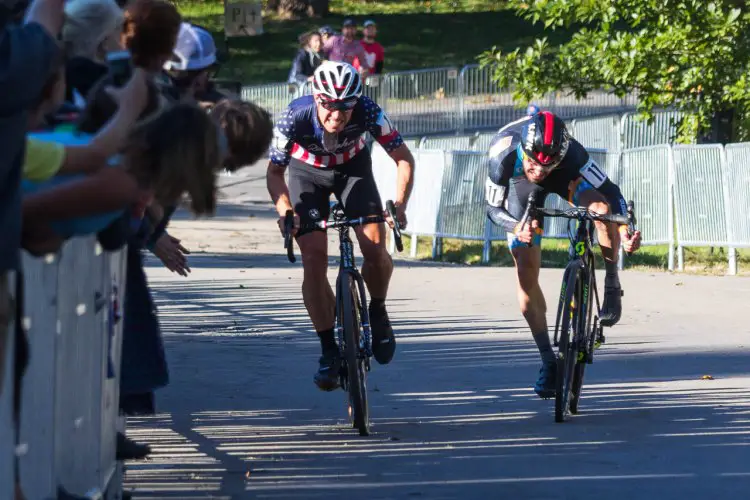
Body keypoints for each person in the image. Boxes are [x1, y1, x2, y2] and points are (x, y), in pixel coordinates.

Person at [266, 61, 414, 391]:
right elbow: (274, 173)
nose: (338, 115)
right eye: (330, 106)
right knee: (313, 260)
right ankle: (328, 351)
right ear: (316, 99)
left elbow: (403, 158)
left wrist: (399, 205)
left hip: (353, 171)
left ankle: (377, 311)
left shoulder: (368, 110)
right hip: (306, 175)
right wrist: (285, 210)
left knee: (376, 247)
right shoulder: (295, 116)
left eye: (345, 107)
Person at [484, 110, 642, 398]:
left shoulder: (572, 154)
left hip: (566, 178)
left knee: (602, 211)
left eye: (548, 165)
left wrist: (625, 231)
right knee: (525, 271)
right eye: (535, 163)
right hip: (521, 190)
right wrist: (516, 227)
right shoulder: (503, 153)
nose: (540, 172)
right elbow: (493, 209)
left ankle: (611, 282)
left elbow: (612, 191)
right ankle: (547, 359)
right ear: (524, 150)